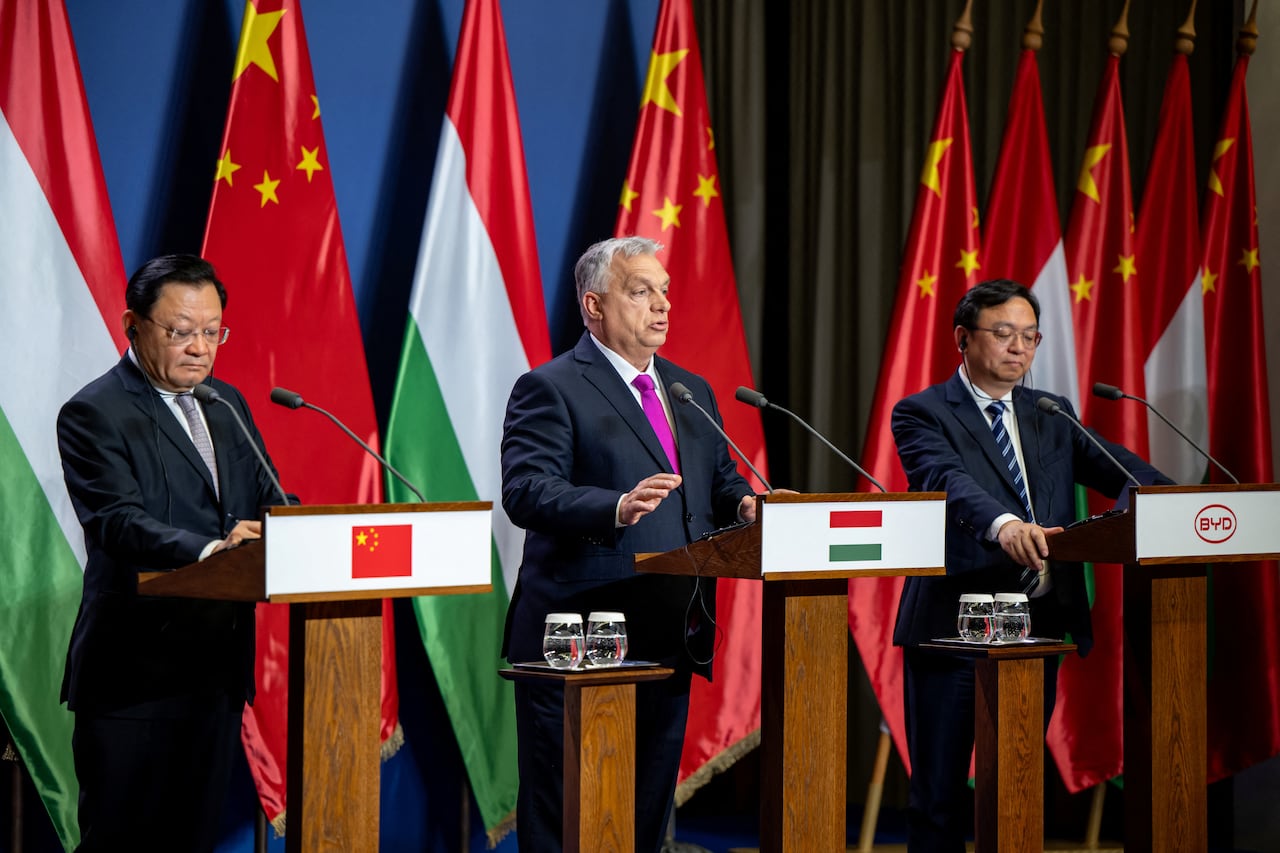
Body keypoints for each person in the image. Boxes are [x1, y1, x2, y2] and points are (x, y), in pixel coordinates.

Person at [890, 279, 1170, 852]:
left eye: (1030, 336)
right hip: (954, 628)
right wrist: (1004, 525)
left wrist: (1178, 501)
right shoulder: (922, 412)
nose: (1019, 347)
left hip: (1036, 627)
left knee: (1013, 786)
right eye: (1003, 334)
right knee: (939, 797)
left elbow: (1125, 472)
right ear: (963, 339)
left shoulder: (1049, 412)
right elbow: (946, 482)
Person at [501, 236, 757, 852]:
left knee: (642, 820)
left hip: (669, 629)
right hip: (579, 635)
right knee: (569, 816)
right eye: (640, 292)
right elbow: (526, 491)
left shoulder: (689, 390)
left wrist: (749, 504)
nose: (662, 305)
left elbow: (719, 484)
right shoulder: (551, 386)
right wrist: (614, 506)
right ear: (594, 305)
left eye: (664, 290)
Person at [57, 254, 287, 852]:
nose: (199, 347)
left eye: (212, 331)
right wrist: (215, 547)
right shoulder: (95, 412)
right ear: (133, 324)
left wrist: (300, 529)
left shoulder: (226, 403)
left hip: (213, 675)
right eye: (180, 331)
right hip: (134, 676)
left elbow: (269, 498)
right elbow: (116, 521)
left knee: (193, 839)